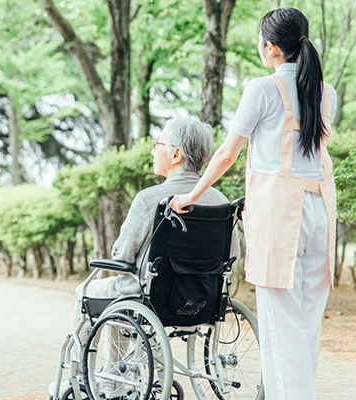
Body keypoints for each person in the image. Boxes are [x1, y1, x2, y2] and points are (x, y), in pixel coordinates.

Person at [169, 8, 337, 400]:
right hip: (320, 210)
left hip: (281, 214)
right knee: (307, 325)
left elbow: (227, 154)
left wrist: (191, 195)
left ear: (271, 48)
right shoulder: (326, 92)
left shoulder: (262, 89)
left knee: (281, 327)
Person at [50, 117, 239, 398]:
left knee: (90, 291)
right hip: (202, 300)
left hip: (150, 297)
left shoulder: (150, 199)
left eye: (157, 144)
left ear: (176, 155)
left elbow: (122, 255)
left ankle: (88, 377)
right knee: (123, 296)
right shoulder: (220, 201)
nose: (153, 150)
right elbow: (231, 256)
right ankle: (133, 373)